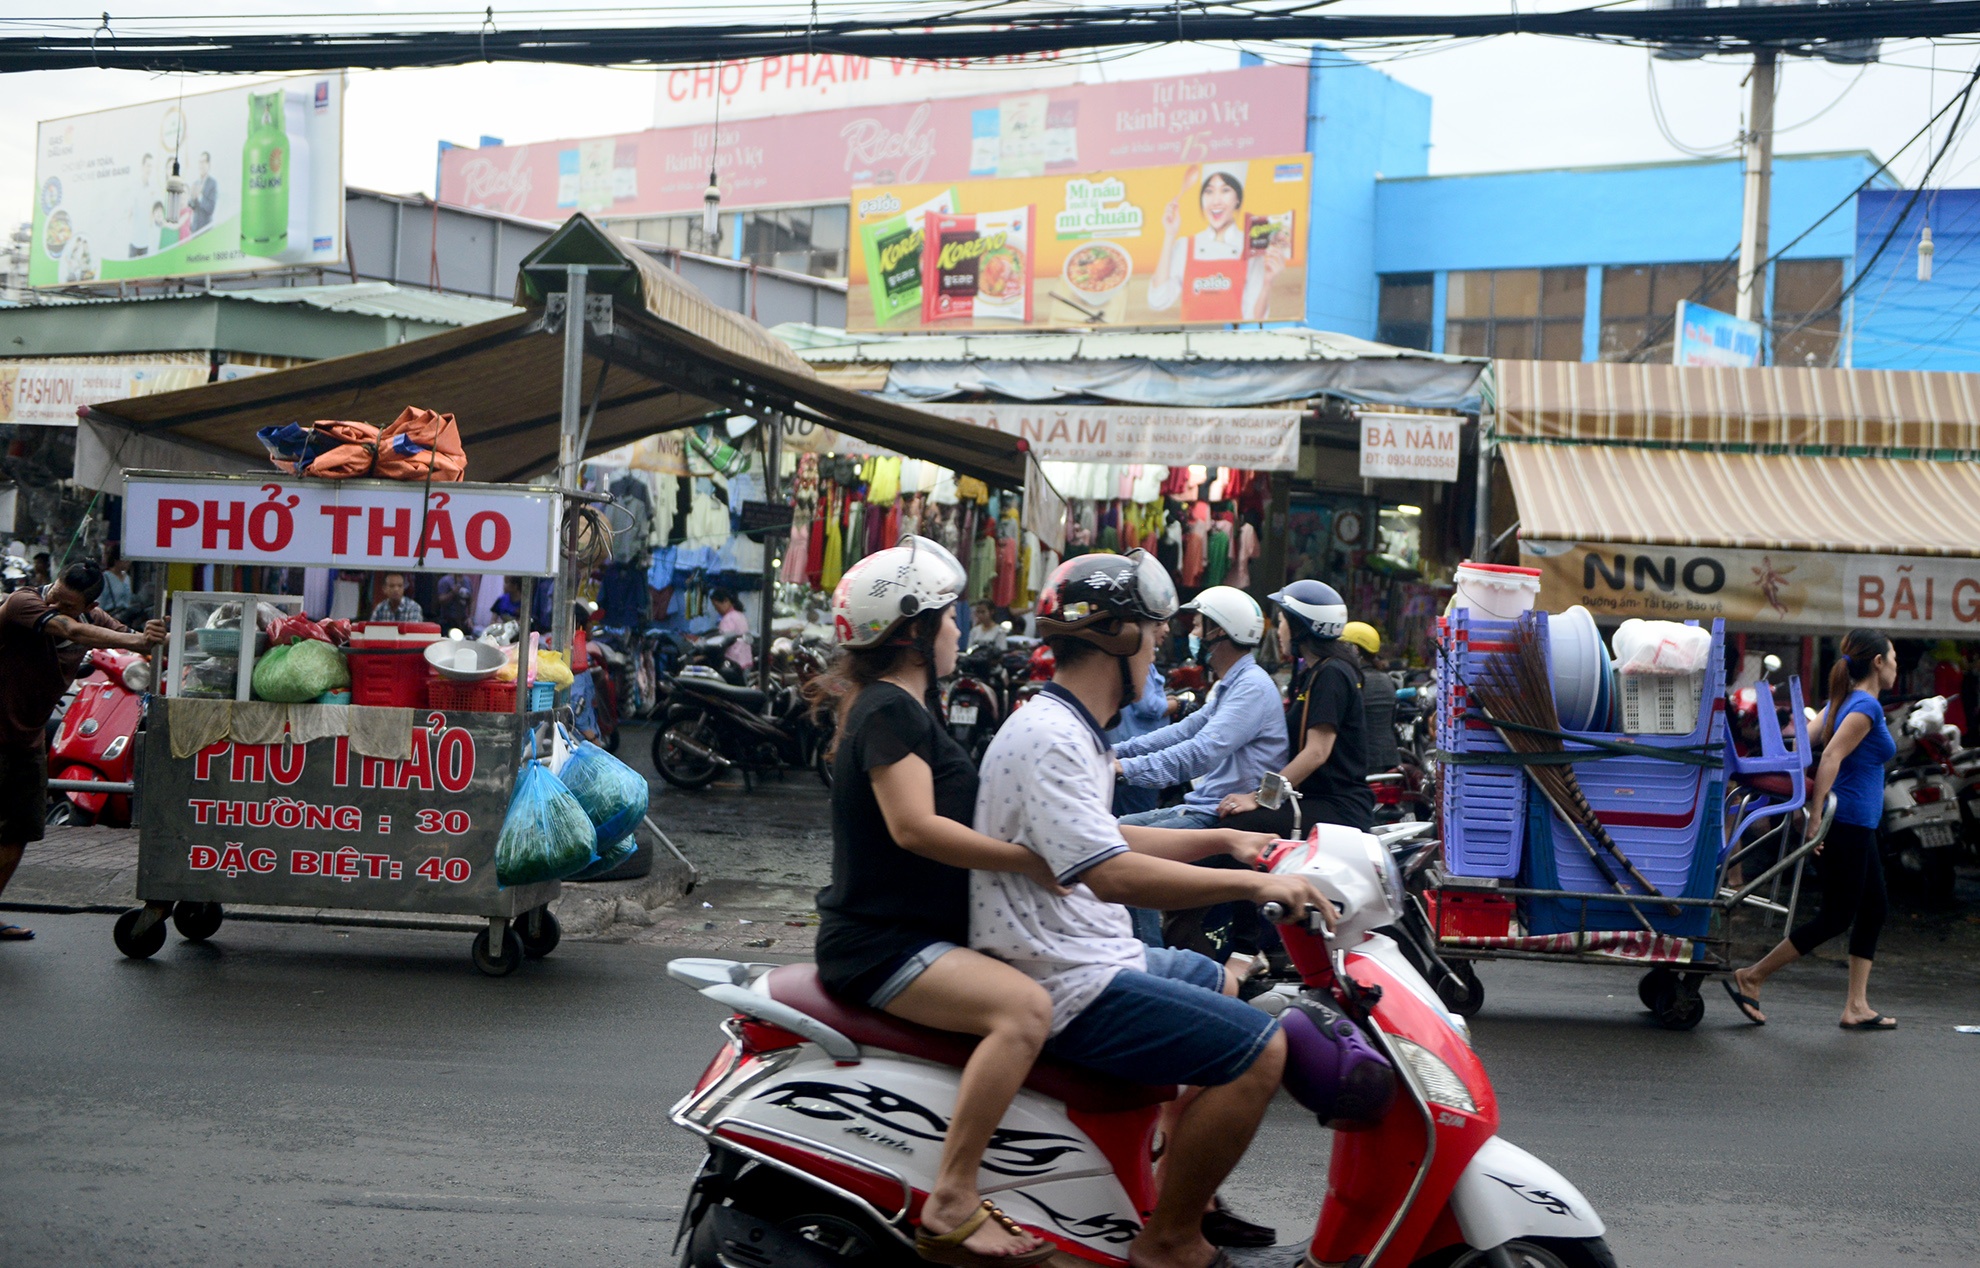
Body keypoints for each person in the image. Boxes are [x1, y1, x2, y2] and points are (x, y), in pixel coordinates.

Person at [972, 551, 1333, 1268]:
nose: (1165, 644)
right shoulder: (1053, 737)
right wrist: (1250, 884)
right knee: (1265, 1051)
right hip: (1069, 973)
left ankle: (1175, 1190)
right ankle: (1168, 1240)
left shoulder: (1070, 726)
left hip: (1086, 948)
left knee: (1225, 984)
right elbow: (1113, 874)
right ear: (1120, 638)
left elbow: (1106, 834)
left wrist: (1226, 837)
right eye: (1155, 631)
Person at [811, 536, 1060, 1267]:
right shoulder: (890, 709)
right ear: (916, 630)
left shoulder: (897, 705)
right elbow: (914, 828)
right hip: (882, 943)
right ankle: (952, 1194)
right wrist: (1031, 863)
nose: (961, 631)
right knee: (1025, 1012)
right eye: (951, 619)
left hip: (913, 932)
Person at [1726, 629, 1899, 1030]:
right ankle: (1752, 976)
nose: (1895, 666)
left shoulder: (1844, 701)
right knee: (1837, 916)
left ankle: (1857, 1005)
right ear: (1877, 663)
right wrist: (1814, 816)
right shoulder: (1865, 708)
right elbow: (1829, 758)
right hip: (1848, 822)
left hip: (1859, 823)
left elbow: (1801, 743)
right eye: (1892, 659)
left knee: (1873, 908)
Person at [0, 561, 166, 942]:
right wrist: (139, 641)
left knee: (18, 830)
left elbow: (129, 637)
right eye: (56, 595)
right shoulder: (24, 602)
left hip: (26, 740)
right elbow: (70, 630)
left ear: (88, 604)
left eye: (68, 603)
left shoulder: (95, 617)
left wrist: (159, 635)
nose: (56, 605)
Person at [1217, 581, 1373, 833]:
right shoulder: (1314, 672)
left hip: (1337, 806)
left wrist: (1260, 797)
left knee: (1233, 829)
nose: (1278, 631)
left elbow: (1316, 752)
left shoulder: (1331, 674)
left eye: (1282, 622)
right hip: (1313, 799)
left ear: (1301, 627)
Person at [1146, 164, 1292, 324]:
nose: (1216, 201)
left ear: (1237, 199)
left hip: (1232, 343)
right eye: (1209, 191)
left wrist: (1267, 282)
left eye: (1225, 190)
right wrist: (1169, 234)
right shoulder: (1185, 245)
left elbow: (1255, 319)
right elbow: (1158, 300)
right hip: (1191, 343)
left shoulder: (1250, 246)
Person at [1105, 660, 1171, 819]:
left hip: (1123, 755)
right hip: (1137, 759)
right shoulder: (1139, 659)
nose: (1167, 632)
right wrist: (1175, 704)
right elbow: (1148, 706)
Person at [1344, 621, 1400, 773]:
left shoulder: (1354, 680)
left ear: (1354, 650)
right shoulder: (1386, 679)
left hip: (1360, 762)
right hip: (1389, 759)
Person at [709, 587, 753, 673]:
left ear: (725, 601)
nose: (716, 610)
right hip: (746, 660)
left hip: (734, 664)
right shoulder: (740, 615)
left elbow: (722, 642)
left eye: (716, 606)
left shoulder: (728, 619)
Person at [97, 549, 135, 621]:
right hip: (109, 617)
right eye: (125, 561)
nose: (128, 563)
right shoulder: (105, 577)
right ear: (116, 561)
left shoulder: (127, 578)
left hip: (125, 618)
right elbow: (100, 601)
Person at [188, 152, 218, 234]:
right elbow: (192, 208)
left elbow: (211, 208)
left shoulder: (212, 183)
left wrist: (200, 196)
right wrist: (192, 199)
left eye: (203, 162)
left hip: (206, 230)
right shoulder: (195, 183)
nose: (201, 165)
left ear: (208, 164)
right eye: (199, 162)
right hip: (194, 229)